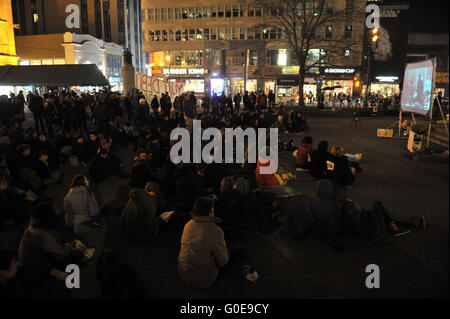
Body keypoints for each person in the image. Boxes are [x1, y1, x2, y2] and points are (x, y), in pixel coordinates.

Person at [178, 197, 230, 289]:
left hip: (185, 273)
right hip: (204, 278)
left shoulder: (188, 224)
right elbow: (223, 262)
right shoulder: (214, 230)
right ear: (210, 211)